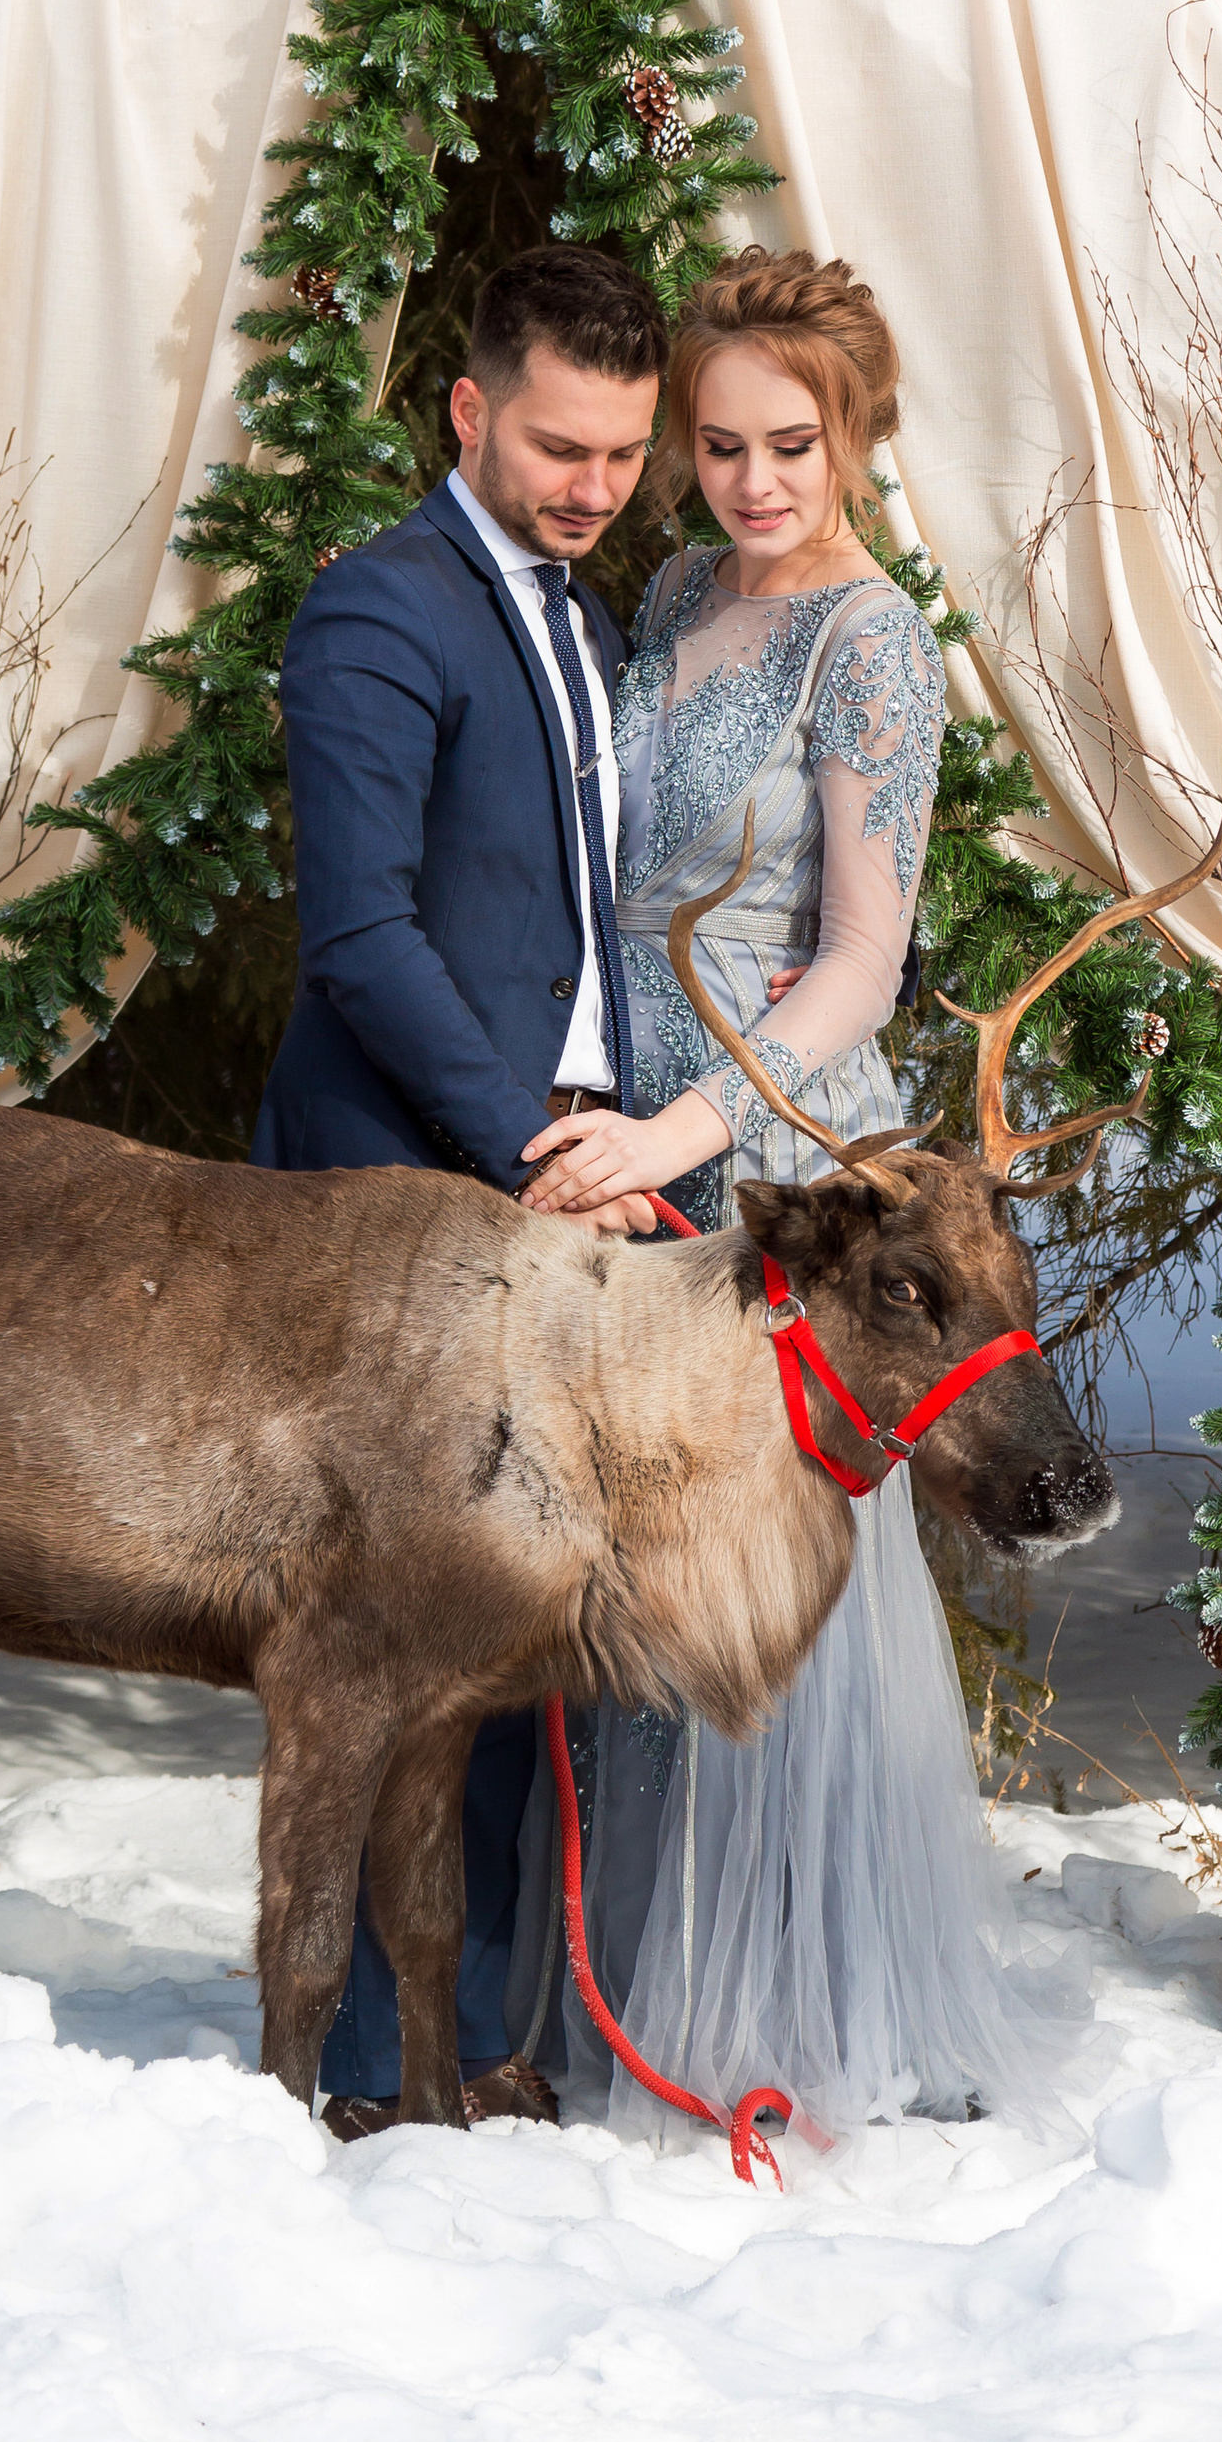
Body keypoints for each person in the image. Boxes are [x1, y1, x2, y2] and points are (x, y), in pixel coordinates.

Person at [513, 247, 1048, 2133]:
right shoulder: (671, 593)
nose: (753, 484)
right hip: (637, 1146)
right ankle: (623, 1988)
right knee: (635, 1564)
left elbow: (862, 963)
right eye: (723, 446)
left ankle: (791, 2010)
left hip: (790, 1167)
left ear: (858, 437)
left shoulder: (868, 644)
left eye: (791, 446)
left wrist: (690, 1138)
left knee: (768, 1597)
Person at [254, 241, 669, 2135]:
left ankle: (480, 2049)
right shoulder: (380, 612)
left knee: (519, 1651)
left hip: (555, 1192)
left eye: (622, 455)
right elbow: (362, 936)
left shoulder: (583, 626)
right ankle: (357, 2079)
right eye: (560, 447)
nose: (592, 488)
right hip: (404, 1195)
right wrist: (530, 1147)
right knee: (397, 1661)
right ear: (469, 410)